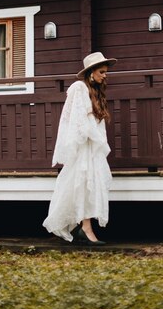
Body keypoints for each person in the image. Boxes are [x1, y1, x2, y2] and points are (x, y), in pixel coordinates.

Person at [43, 52, 117, 245]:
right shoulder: (78, 88)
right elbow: (77, 120)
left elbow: (93, 121)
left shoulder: (95, 91)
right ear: (91, 72)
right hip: (83, 145)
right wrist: (95, 139)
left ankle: (83, 226)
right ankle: (84, 227)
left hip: (92, 145)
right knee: (82, 184)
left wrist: (98, 140)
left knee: (89, 185)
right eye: (102, 72)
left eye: (106, 72)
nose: (105, 75)